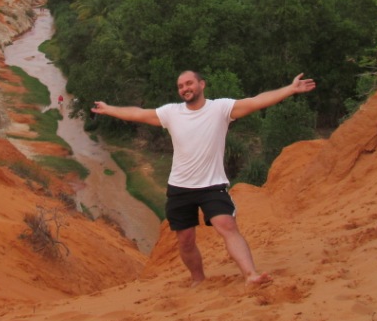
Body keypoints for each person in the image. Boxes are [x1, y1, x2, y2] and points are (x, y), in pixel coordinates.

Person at [93, 70, 316, 287]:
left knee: (227, 225)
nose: (185, 88)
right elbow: (139, 114)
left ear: (201, 84)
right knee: (185, 239)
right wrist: (109, 109)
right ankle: (198, 279)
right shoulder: (171, 113)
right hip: (179, 187)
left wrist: (290, 89)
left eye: (189, 83)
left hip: (212, 185)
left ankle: (251, 275)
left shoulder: (220, 108)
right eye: (180, 86)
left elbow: (256, 101)